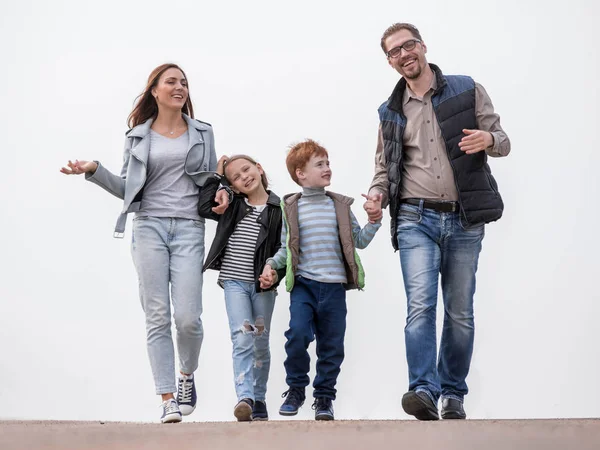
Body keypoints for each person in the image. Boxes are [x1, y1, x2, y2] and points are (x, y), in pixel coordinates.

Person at [60, 63, 228, 423]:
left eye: (184, 82)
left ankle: (186, 375)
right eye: (171, 82)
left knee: (187, 319)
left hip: (189, 229)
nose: (180, 87)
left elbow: (212, 182)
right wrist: (93, 170)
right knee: (156, 316)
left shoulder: (202, 132)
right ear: (155, 90)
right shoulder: (137, 136)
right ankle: (167, 398)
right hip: (148, 227)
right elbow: (127, 189)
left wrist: (223, 194)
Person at [365, 23, 511, 421]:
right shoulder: (388, 112)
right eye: (394, 51)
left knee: (460, 311)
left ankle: (453, 394)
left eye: (408, 45)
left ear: (423, 46)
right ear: (390, 62)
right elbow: (384, 169)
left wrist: (488, 140)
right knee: (420, 306)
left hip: (464, 220)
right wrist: (377, 195)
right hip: (415, 218)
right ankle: (423, 390)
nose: (403, 54)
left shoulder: (467, 88)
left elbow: (503, 140)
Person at [261, 139, 381, 421]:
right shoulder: (291, 207)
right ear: (300, 173)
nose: (327, 168)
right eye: (320, 164)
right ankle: (296, 389)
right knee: (298, 335)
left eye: (328, 163)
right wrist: (270, 266)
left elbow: (359, 241)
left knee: (332, 345)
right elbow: (285, 248)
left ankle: (324, 397)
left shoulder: (339, 206)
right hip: (304, 285)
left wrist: (373, 221)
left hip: (335, 288)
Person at [198, 154, 284, 422]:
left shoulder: (279, 208)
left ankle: (259, 398)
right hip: (234, 282)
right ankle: (244, 397)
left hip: (263, 287)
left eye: (246, 169)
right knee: (242, 336)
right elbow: (203, 207)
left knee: (260, 341)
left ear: (259, 168)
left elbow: (285, 247)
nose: (244, 176)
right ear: (232, 185)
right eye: (235, 176)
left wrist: (275, 273)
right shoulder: (232, 205)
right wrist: (217, 175)